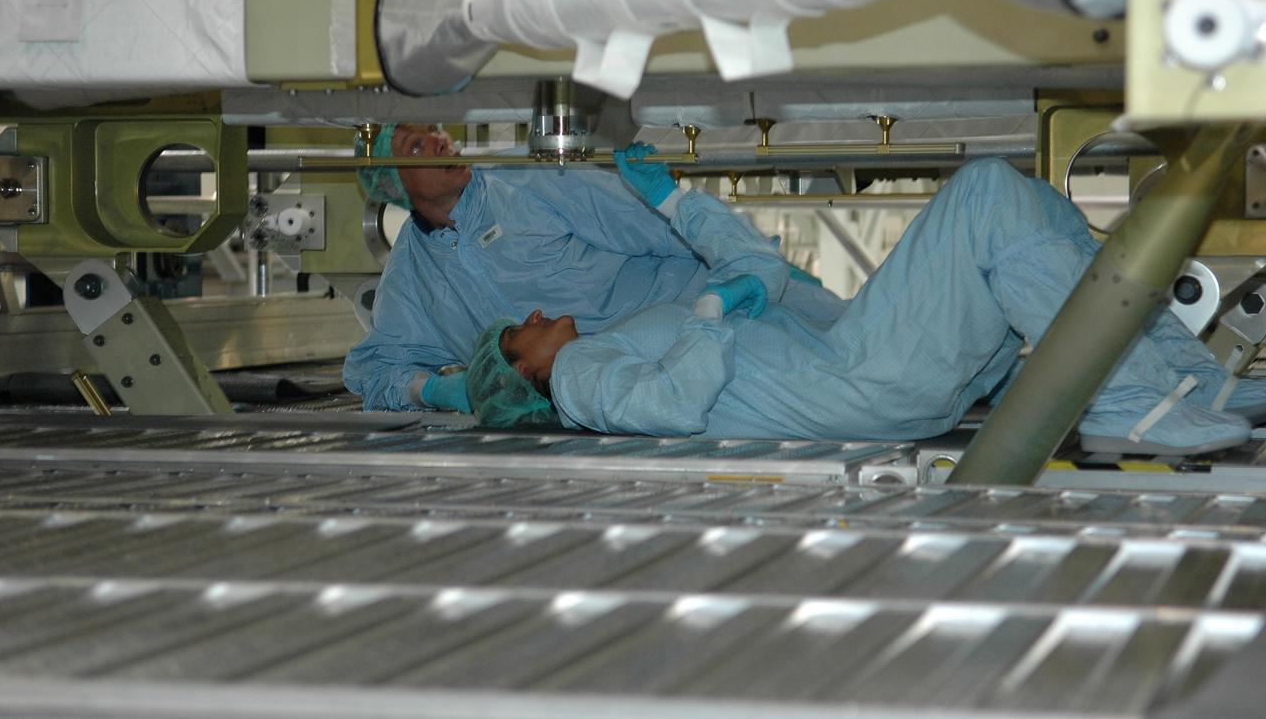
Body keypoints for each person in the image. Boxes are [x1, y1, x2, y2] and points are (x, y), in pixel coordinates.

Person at [465, 149, 1264, 455]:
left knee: (1036, 209)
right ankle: (1127, 400)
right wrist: (709, 315)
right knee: (986, 192)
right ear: (523, 379)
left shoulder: (619, 337)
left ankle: (1188, 381)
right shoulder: (575, 380)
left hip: (864, 365)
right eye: (516, 337)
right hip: (858, 378)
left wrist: (675, 201)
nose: (532, 319)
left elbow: (754, 267)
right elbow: (672, 404)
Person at [342, 125, 842, 413]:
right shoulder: (412, 277)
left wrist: (759, 269)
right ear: (394, 185)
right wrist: (438, 391)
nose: (439, 140)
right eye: (415, 147)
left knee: (851, 359)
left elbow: (662, 227)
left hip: (727, 318)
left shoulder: (528, 176)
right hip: (637, 398)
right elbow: (373, 372)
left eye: (434, 130)